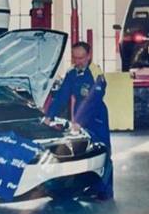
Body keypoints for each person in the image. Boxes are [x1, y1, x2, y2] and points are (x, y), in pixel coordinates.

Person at [45, 41, 113, 200]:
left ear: (88, 56)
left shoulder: (95, 72)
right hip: (78, 118)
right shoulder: (72, 73)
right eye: (75, 58)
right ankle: (88, 187)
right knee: (83, 152)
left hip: (96, 117)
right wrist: (49, 116)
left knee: (102, 151)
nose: (78, 61)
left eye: (81, 58)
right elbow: (61, 96)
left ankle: (105, 190)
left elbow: (93, 100)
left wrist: (80, 122)